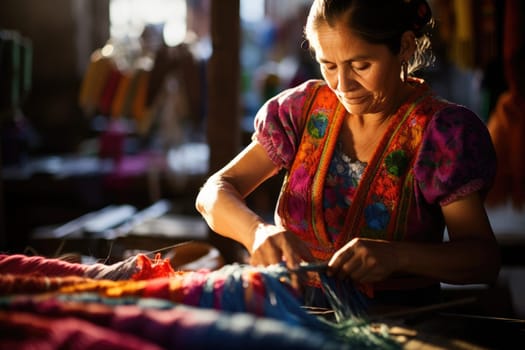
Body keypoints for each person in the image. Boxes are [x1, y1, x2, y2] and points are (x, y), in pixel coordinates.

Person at [195, 0, 500, 307]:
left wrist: (398, 256)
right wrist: (256, 232)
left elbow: (482, 259)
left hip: (398, 327)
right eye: (328, 65)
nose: (343, 85)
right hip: (292, 317)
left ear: (405, 46)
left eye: (361, 65)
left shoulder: (441, 134)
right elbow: (213, 194)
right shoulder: (300, 112)